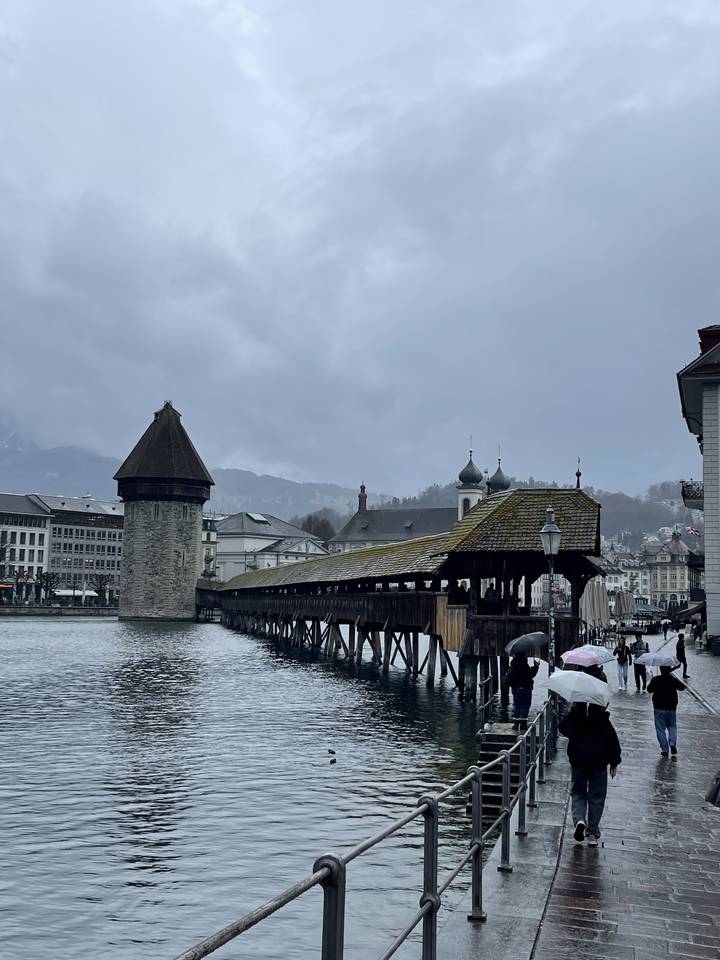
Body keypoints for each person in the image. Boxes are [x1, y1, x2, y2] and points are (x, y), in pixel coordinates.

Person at [559, 702, 622, 847]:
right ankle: (592, 832)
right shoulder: (603, 720)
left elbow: (562, 728)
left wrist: (572, 710)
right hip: (599, 763)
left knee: (578, 792)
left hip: (578, 761)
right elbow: (613, 742)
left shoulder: (576, 716)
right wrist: (614, 762)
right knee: (597, 797)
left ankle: (579, 820)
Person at [647, 666, 686, 758]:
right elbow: (682, 687)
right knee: (672, 726)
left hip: (659, 707)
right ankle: (672, 742)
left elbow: (649, 690)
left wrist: (653, 682)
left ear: (661, 670)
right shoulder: (673, 679)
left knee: (660, 729)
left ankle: (664, 749)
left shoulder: (656, 679)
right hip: (671, 708)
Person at [504, 653, 540, 731]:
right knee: (525, 706)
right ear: (524, 656)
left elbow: (508, 679)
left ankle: (516, 724)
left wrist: (511, 683)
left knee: (516, 705)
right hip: (526, 688)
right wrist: (536, 666)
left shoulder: (513, 666)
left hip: (516, 689)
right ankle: (523, 724)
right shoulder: (526, 666)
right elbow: (531, 674)